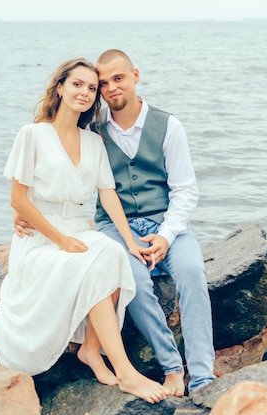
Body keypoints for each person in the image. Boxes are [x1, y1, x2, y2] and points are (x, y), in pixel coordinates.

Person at [0, 58, 168, 404]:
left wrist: (131, 242)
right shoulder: (33, 134)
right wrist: (59, 240)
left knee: (113, 254)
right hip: (40, 239)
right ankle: (127, 372)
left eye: (91, 88)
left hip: (76, 228)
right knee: (88, 262)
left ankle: (91, 349)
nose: (85, 93)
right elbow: (19, 200)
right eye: (77, 84)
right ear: (59, 87)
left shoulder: (93, 142)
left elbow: (108, 194)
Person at [91, 49, 216, 396]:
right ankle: (172, 369)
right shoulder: (92, 129)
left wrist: (164, 236)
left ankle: (203, 377)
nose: (111, 88)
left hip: (166, 223)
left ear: (135, 75)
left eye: (118, 78)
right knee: (132, 281)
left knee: (192, 272)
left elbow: (185, 190)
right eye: (103, 84)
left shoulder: (168, 125)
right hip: (115, 227)